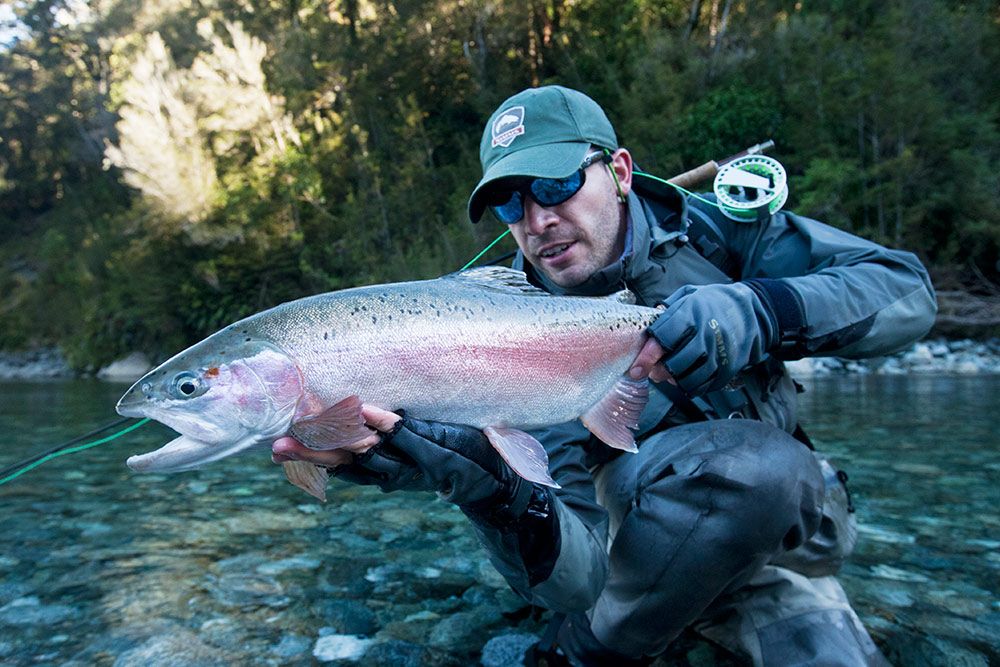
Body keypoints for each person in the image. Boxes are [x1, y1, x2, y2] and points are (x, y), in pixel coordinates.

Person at [272, 85, 937, 665]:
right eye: (510, 204)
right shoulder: (498, 339)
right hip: (633, 563)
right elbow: (572, 575)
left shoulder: (713, 235)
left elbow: (907, 294)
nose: (537, 222)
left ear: (619, 169)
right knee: (750, 470)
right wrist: (485, 482)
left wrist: (762, 308)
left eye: (557, 185)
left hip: (778, 539)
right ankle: (587, 649)